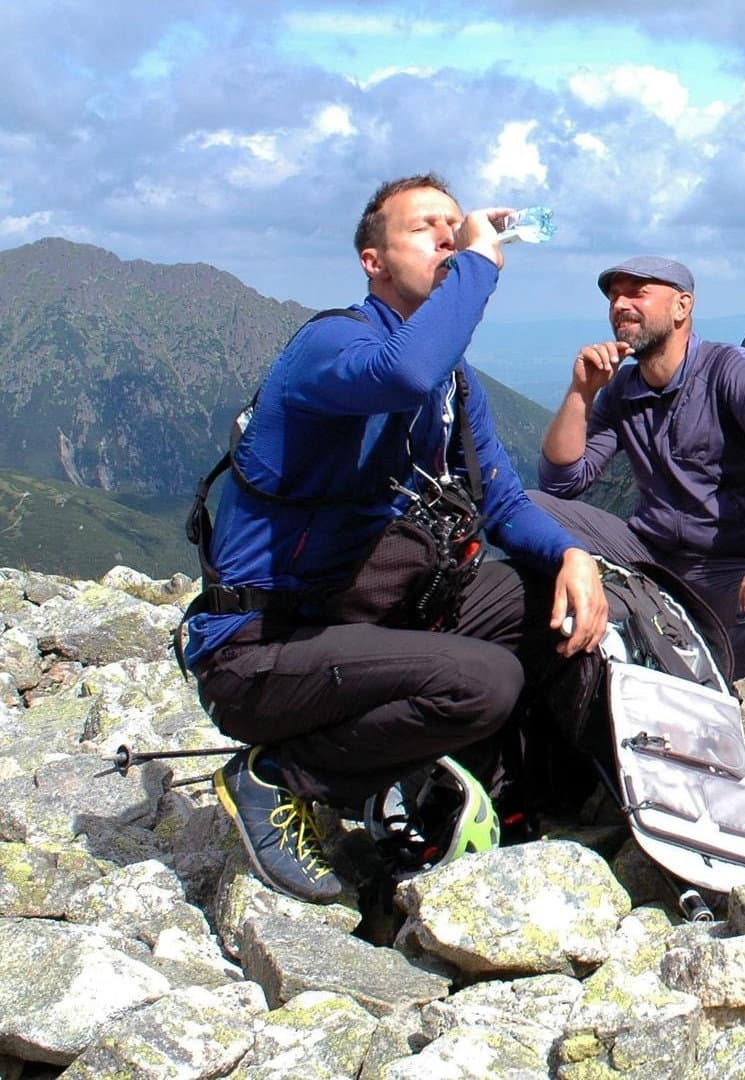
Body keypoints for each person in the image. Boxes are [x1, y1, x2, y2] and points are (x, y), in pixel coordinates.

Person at [183, 174, 610, 903]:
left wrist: (574, 555)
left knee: (548, 605)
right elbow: (404, 371)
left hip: (360, 622)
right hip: (260, 648)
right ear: (372, 261)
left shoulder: (454, 383)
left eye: (455, 223)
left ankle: (506, 782)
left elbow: (501, 499)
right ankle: (276, 777)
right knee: (485, 681)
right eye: (425, 228)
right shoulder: (331, 346)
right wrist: (477, 262)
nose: (449, 234)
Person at [535, 256, 745, 677]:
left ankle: (703, 684)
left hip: (730, 566)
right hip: (650, 554)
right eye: (615, 296)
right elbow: (560, 483)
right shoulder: (620, 392)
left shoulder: (728, 369)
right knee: (528, 509)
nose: (620, 304)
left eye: (637, 292)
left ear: (682, 307)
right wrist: (581, 392)